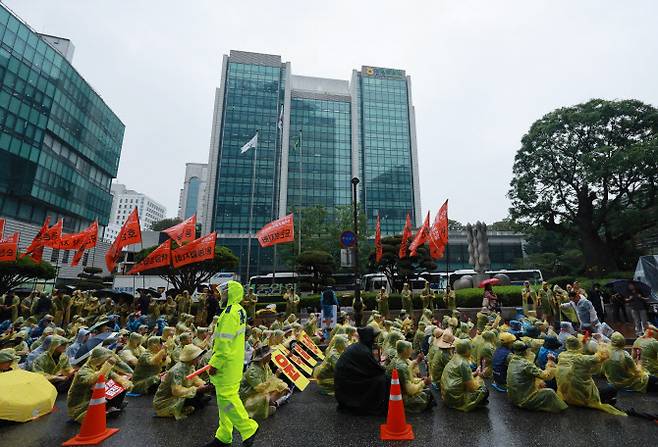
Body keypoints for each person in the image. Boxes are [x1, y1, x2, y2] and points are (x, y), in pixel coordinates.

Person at [200, 280, 259, 447]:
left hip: (226, 364)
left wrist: (215, 364)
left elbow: (223, 344)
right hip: (233, 362)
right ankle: (224, 435)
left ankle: (248, 428)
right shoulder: (238, 310)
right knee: (224, 400)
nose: (219, 295)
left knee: (227, 398)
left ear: (230, 294)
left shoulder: (230, 313)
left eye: (222, 292)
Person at [556, 336, 625, 416]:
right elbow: (603, 355)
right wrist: (600, 342)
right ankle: (601, 400)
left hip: (565, 395)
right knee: (612, 387)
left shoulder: (561, 356)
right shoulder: (582, 359)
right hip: (582, 397)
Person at [67, 347, 132, 422]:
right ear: (98, 359)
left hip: (95, 397)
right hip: (81, 404)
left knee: (118, 384)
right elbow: (93, 380)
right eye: (104, 359)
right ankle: (106, 410)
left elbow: (114, 376)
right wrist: (107, 365)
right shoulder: (83, 371)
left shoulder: (100, 367)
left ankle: (112, 406)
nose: (105, 361)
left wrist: (124, 382)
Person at [334, 326, 388, 415]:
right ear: (368, 338)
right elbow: (377, 370)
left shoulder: (359, 346)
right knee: (381, 379)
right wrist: (386, 366)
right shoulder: (363, 350)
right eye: (373, 337)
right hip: (347, 386)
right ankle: (374, 405)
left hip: (343, 385)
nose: (374, 340)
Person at [154, 344, 212, 420]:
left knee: (201, 399)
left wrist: (204, 385)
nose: (199, 359)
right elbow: (176, 391)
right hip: (166, 400)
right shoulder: (177, 370)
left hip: (179, 393)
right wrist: (196, 389)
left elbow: (195, 379)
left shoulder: (189, 366)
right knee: (198, 400)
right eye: (198, 357)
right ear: (192, 357)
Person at [506, 341, 567, 412]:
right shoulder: (527, 364)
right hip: (523, 400)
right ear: (525, 351)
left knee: (540, 382)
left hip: (513, 397)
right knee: (550, 392)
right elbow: (547, 376)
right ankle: (564, 412)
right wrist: (550, 361)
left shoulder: (512, 359)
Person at [240, 345, 290, 419]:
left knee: (283, 387)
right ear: (263, 357)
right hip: (249, 396)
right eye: (269, 354)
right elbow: (260, 389)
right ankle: (271, 405)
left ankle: (272, 404)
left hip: (259, 393)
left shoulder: (265, 366)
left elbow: (271, 378)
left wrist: (282, 386)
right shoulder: (252, 371)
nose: (271, 355)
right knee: (267, 397)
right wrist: (276, 375)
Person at [440, 339, 488, 411]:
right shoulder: (464, 363)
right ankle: (469, 403)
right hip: (455, 397)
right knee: (484, 391)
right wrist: (479, 376)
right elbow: (471, 388)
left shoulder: (455, 356)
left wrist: (475, 373)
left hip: (447, 394)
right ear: (467, 350)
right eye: (470, 348)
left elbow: (460, 376)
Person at [386, 340, 432, 413]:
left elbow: (410, 370)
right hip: (397, 396)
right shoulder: (401, 366)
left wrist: (420, 380)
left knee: (424, 388)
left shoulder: (399, 358)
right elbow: (410, 390)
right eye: (411, 349)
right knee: (426, 394)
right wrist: (423, 382)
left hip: (395, 389)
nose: (412, 351)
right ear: (405, 351)